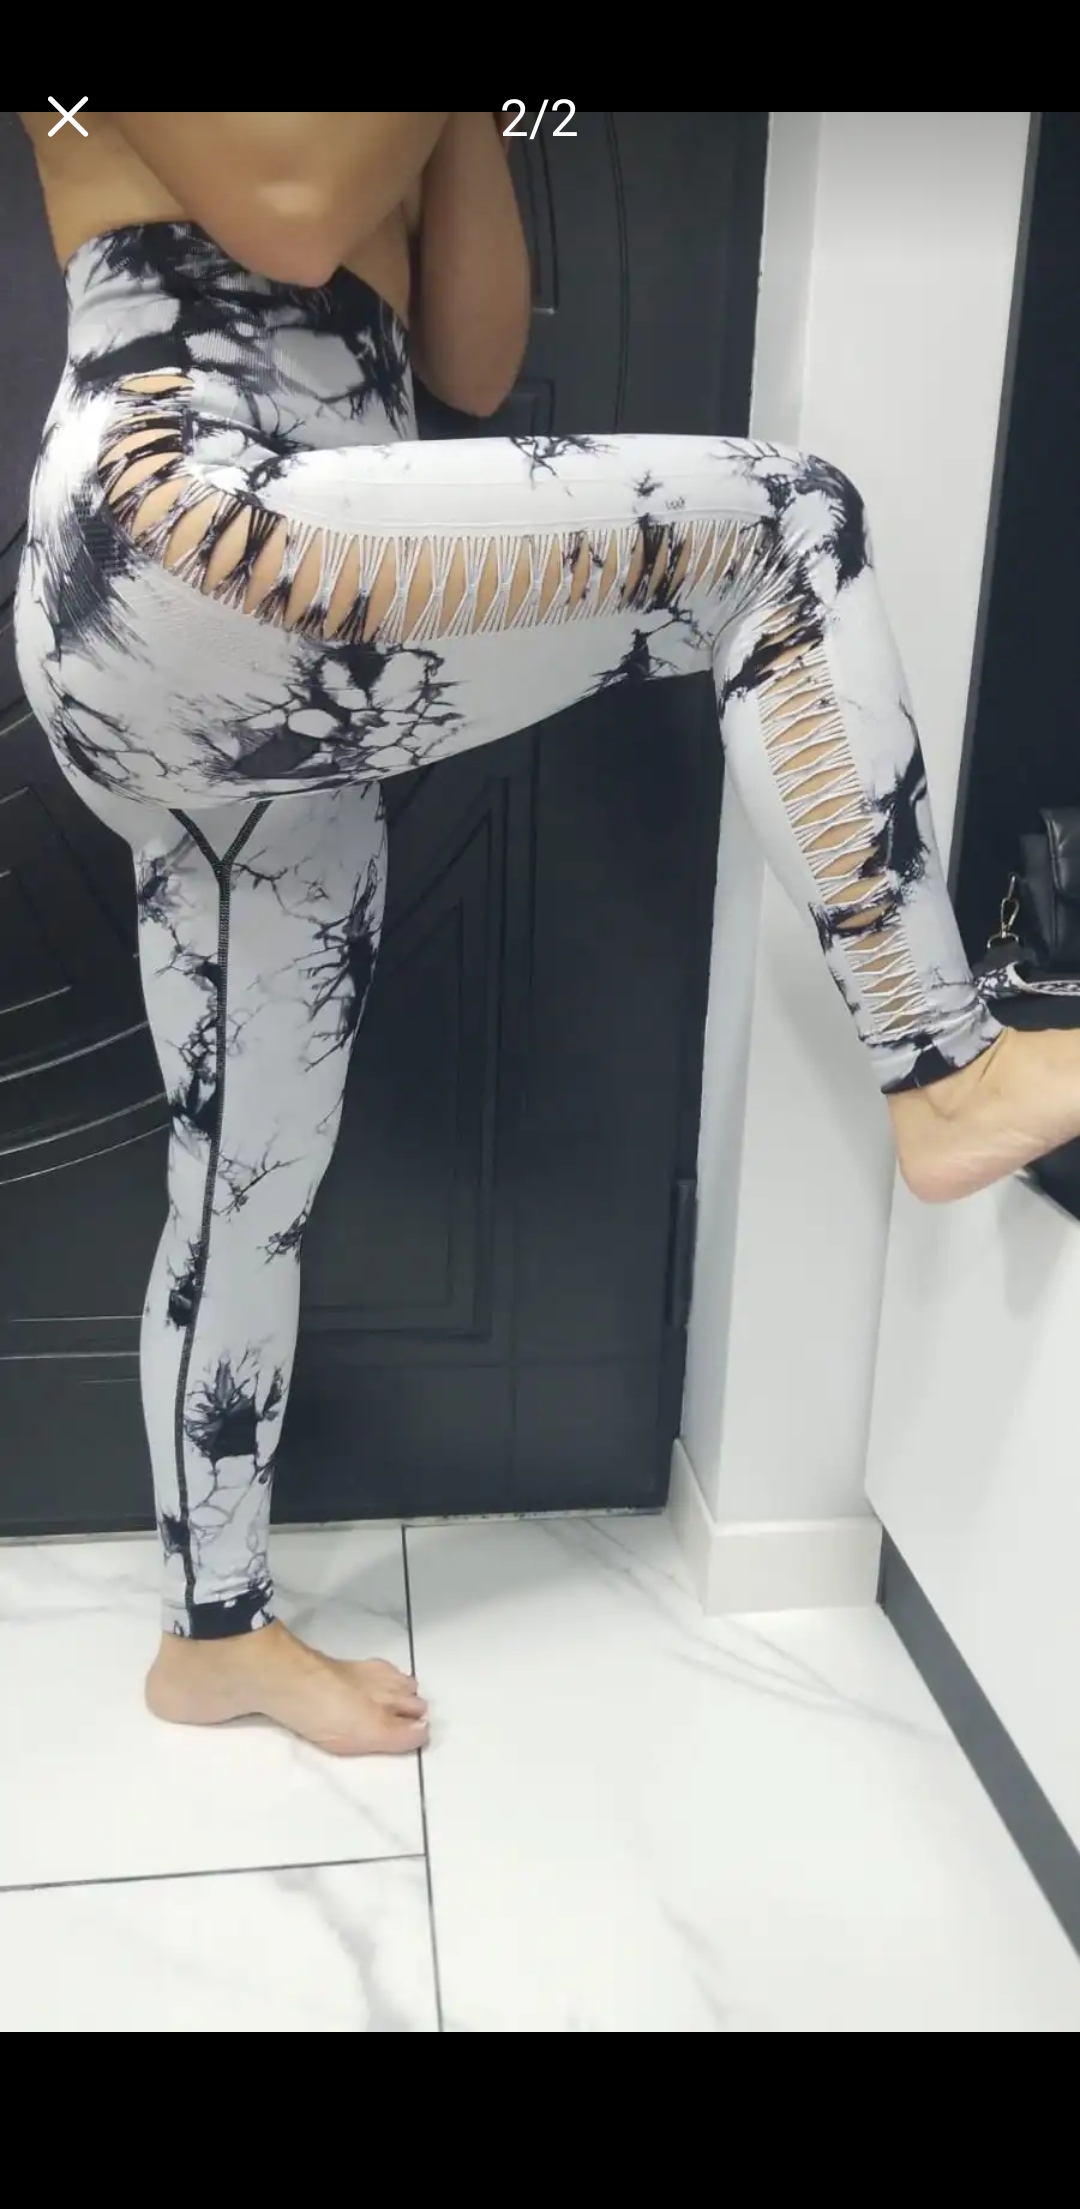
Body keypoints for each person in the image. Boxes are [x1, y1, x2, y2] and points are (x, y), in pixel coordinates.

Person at [14, 111, 1079, 1759]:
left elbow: (475, 359)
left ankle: (209, 1636)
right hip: (176, 531)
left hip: (292, 643)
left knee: (247, 1178)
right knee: (780, 526)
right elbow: (289, 215)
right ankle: (945, 1069)